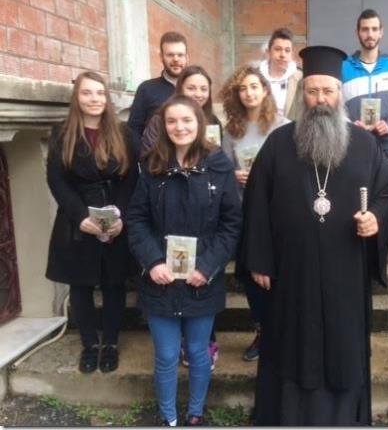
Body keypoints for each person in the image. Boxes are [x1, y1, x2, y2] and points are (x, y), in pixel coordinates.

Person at [239, 45, 388, 425]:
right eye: (313, 91)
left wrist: (376, 219)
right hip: (292, 272)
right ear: (302, 95)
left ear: (340, 94)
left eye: (328, 91)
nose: (321, 99)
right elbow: (256, 203)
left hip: (346, 271)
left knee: (343, 346)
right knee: (292, 345)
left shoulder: (365, 144)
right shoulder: (279, 143)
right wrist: (259, 258)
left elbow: (387, 194)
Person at [126, 95, 242, 426]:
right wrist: (152, 262)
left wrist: (207, 266)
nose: (180, 127)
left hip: (201, 279)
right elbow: (137, 219)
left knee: (198, 351)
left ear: (199, 123)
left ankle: (195, 412)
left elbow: (231, 223)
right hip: (160, 279)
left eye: (187, 120)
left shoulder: (219, 166)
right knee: (165, 355)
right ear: (164, 126)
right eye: (172, 121)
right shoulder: (152, 166)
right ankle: (168, 417)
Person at [45, 71, 139, 374]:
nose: (94, 99)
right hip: (77, 218)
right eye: (87, 93)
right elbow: (56, 180)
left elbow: (132, 179)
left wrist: (120, 215)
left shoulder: (124, 133)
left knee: (113, 283)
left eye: (99, 93)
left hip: (114, 215)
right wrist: (80, 216)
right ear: (77, 97)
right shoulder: (62, 133)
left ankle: (110, 343)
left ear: (106, 98)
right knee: (81, 284)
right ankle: (90, 344)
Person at [219, 66, 289, 362]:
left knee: (280, 274)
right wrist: (233, 175)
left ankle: (282, 331)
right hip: (244, 211)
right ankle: (262, 330)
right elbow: (221, 169)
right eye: (242, 88)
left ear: (265, 90)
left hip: (278, 212)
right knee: (251, 275)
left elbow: (293, 170)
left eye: (254, 86)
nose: (248, 93)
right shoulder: (231, 131)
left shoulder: (283, 126)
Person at [342, 8, 388, 162]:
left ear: (381, 32)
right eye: (365, 29)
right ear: (357, 33)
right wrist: (350, 126)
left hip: (384, 147)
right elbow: (335, 109)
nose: (370, 34)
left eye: (374, 29)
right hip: (351, 146)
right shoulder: (343, 68)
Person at [127, 31, 189, 137]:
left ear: (187, 57)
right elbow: (133, 131)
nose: (176, 59)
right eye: (170, 55)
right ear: (161, 57)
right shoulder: (146, 89)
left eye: (180, 55)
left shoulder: (196, 90)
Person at [258, 27, 302, 118]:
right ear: (268, 52)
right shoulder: (255, 76)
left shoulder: (300, 78)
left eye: (287, 50)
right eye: (278, 49)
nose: (282, 55)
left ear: (292, 54)